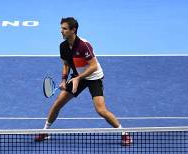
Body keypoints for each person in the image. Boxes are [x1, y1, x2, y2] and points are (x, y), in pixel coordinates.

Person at [35, 17, 131, 146]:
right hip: (78, 76)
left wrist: (78, 78)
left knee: (101, 110)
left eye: (64, 29)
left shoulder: (83, 45)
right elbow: (66, 64)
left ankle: (124, 133)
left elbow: (93, 66)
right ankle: (45, 131)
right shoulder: (63, 46)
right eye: (61, 28)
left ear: (73, 30)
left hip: (93, 77)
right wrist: (64, 80)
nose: (61, 31)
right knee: (58, 102)